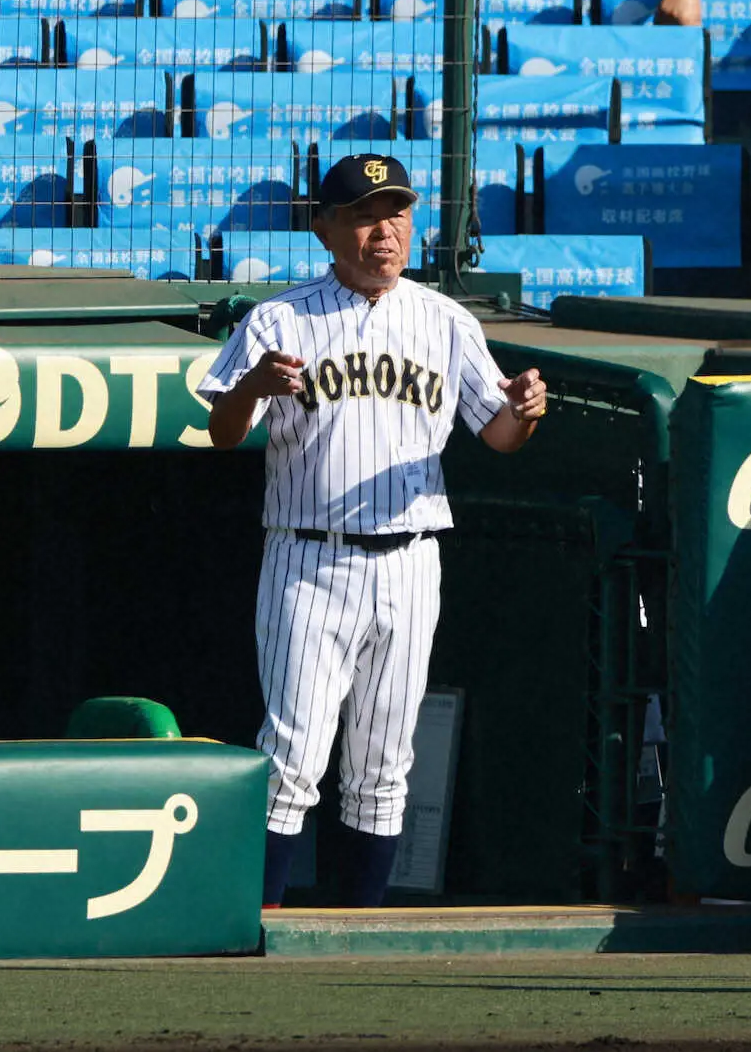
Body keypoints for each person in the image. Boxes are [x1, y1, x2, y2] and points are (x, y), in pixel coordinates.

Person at [199, 153, 549, 908]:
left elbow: (496, 435)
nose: (383, 230)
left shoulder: (445, 320)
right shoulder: (280, 319)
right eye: (363, 214)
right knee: (292, 754)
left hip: (411, 560)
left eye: (395, 212)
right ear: (325, 229)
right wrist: (255, 384)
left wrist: (521, 414)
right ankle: (257, 922)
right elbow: (223, 432)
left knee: (385, 762)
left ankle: (359, 935)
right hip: (308, 558)